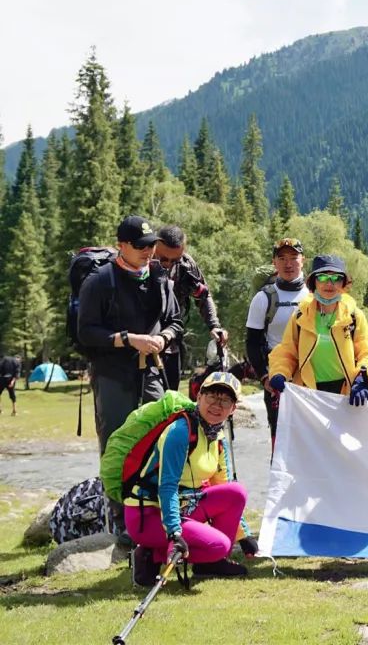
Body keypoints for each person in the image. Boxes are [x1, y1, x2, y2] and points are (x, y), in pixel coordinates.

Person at [127, 372, 256, 586]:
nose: (217, 404)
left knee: (237, 493)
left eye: (225, 400)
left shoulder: (217, 435)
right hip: (149, 514)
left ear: (233, 409)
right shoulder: (180, 431)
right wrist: (175, 533)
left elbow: (223, 485)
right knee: (220, 545)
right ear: (199, 397)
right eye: (212, 396)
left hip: (185, 505)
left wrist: (244, 535)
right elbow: (167, 488)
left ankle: (210, 564)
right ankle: (150, 555)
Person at [78, 216, 183, 457]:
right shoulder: (99, 281)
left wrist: (164, 337)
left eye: (151, 244)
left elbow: (175, 321)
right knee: (117, 444)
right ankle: (114, 496)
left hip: (153, 372)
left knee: (160, 439)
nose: (148, 251)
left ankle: (154, 495)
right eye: (140, 246)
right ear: (121, 246)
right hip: (113, 375)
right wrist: (128, 339)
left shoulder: (160, 277)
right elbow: (86, 332)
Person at [269, 254, 368, 402]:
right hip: (307, 395)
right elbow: (287, 351)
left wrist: (362, 377)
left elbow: (367, 352)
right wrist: (279, 373)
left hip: (345, 395)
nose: (330, 284)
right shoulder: (300, 316)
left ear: (343, 284)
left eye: (336, 278)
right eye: (322, 277)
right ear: (314, 282)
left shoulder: (354, 317)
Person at [245, 238, 311, 446]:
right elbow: (253, 342)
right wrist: (264, 376)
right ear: (274, 263)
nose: (288, 264)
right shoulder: (263, 298)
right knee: (280, 438)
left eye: (293, 258)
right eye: (282, 258)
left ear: (303, 260)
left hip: (312, 374)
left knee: (312, 438)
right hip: (277, 377)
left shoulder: (315, 294)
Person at [154, 225, 228, 392]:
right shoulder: (141, 260)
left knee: (170, 397)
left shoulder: (186, 265)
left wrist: (214, 325)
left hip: (172, 341)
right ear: (155, 245)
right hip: (142, 341)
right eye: (163, 258)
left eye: (175, 260)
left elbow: (203, 295)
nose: (168, 264)